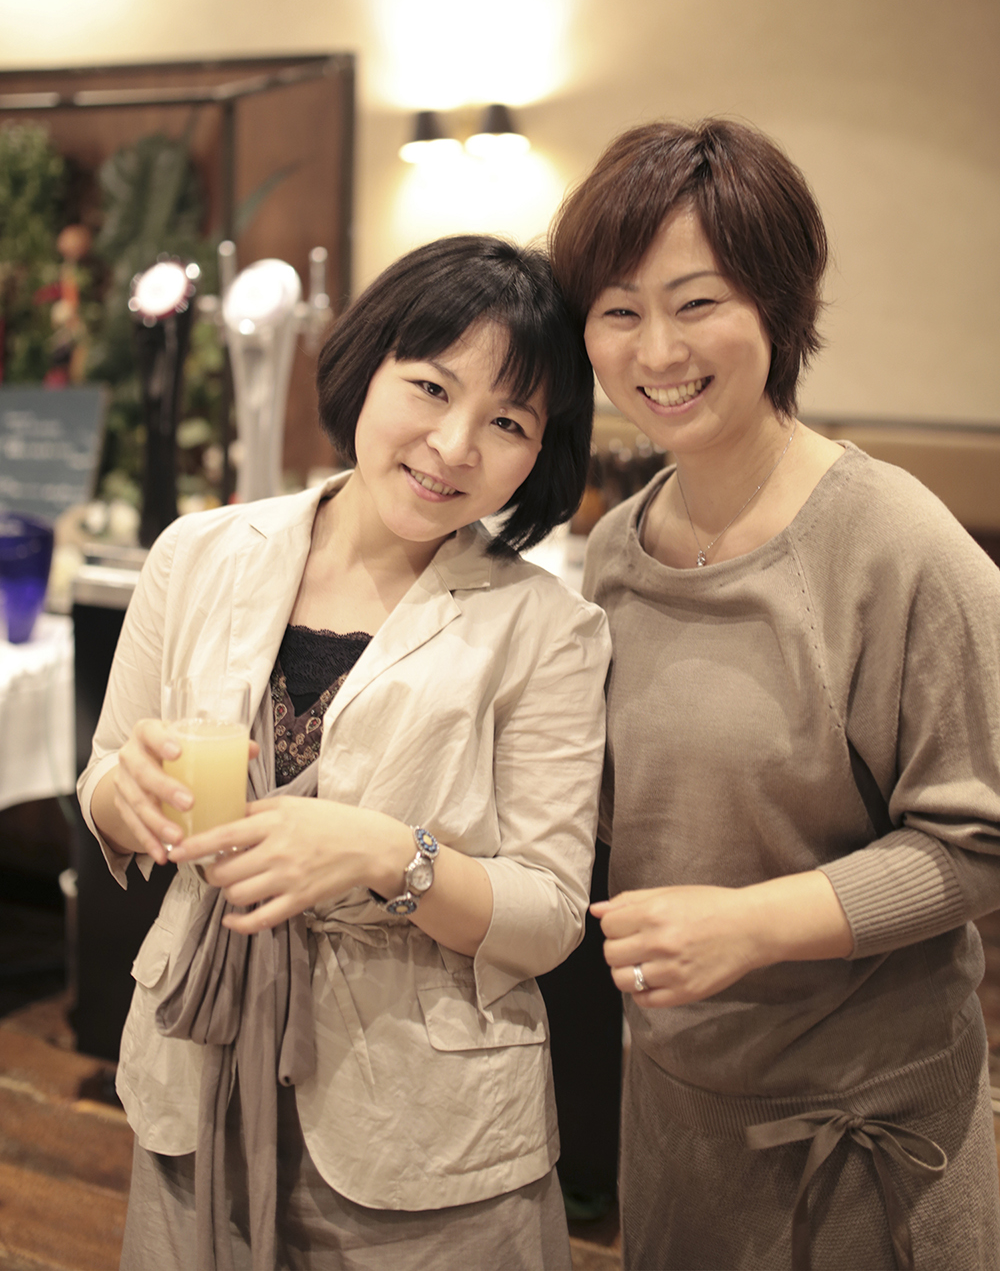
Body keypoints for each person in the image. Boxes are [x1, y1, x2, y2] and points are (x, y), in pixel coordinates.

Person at [77, 234, 611, 1271]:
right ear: (368, 365)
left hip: (421, 1125)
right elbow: (104, 771)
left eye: (507, 422)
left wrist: (383, 854)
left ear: (540, 452)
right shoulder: (199, 554)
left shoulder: (549, 628)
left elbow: (549, 913)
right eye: (431, 387)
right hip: (196, 1065)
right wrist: (121, 799)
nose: (454, 444)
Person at [549, 119, 1000, 1270]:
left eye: (696, 302)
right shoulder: (616, 550)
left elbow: (983, 837)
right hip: (674, 1110)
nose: (657, 349)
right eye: (618, 310)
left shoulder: (892, 541)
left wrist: (753, 926)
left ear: (779, 305)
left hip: (867, 1136)